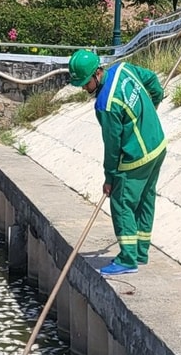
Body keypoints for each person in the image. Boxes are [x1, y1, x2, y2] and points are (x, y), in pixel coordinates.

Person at [68, 49, 167, 276]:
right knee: (145, 199)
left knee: (122, 204)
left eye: (85, 84)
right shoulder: (125, 69)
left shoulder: (106, 104)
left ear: (96, 74)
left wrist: (109, 178)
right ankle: (141, 251)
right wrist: (154, 102)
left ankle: (128, 259)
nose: (85, 89)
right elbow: (152, 80)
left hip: (136, 157)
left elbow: (112, 147)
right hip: (158, 146)